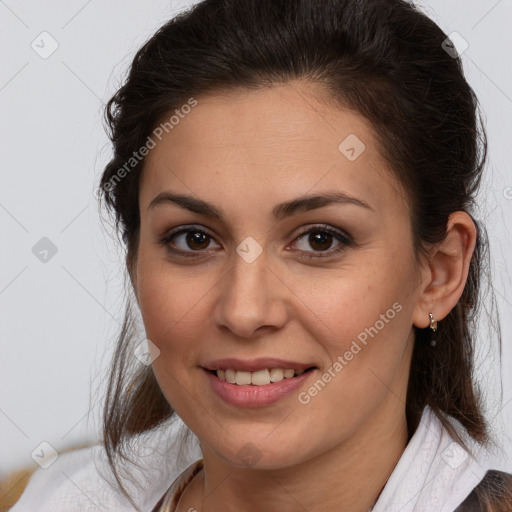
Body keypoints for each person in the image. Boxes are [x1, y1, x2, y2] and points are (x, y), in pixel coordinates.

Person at [11, 0, 512, 510]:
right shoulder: (58, 498)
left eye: (320, 239)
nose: (244, 312)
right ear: (135, 261)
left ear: (439, 273)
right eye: (194, 239)